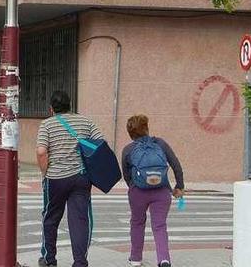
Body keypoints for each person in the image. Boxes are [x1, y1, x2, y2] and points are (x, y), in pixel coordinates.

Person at [36, 90, 104, 267]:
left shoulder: (47, 124)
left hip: (55, 179)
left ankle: (49, 259)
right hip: (81, 178)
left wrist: (45, 173)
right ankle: (80, 262)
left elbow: (41, 152)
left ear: (51, 109)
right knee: (80, 220)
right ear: (70, 106)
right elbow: (100, 143)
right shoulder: (85, 121)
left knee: (50, 218)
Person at [120, 114, 184, 267]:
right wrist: (179, 187)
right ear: (147, 129)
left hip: (138, 192)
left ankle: (135, 259)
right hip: (161, 191)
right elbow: (176, 164)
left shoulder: (128, 149)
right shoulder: (160, 143)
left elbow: (126, 174)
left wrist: (135, 188)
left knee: (137, 223)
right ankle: (163, 259)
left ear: (130, 133)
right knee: (160, 225)